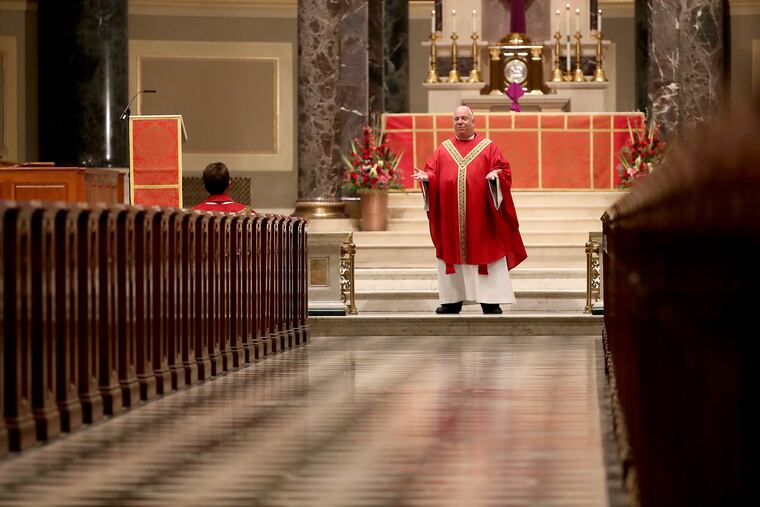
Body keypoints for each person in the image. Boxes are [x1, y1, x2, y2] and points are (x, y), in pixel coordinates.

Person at [412, 106, 527, 315]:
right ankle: (452, 300)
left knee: (487, 252)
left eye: (464, 118)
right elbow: (433, 171)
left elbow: (503, 171)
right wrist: (428, 179)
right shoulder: (443, 149)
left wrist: (496, 178)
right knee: (451, 254)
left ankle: (491, 301)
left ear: (474, 122)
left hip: (482, 217)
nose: (460, 121)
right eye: (456, 118)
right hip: (451, 218)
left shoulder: (488, 147)